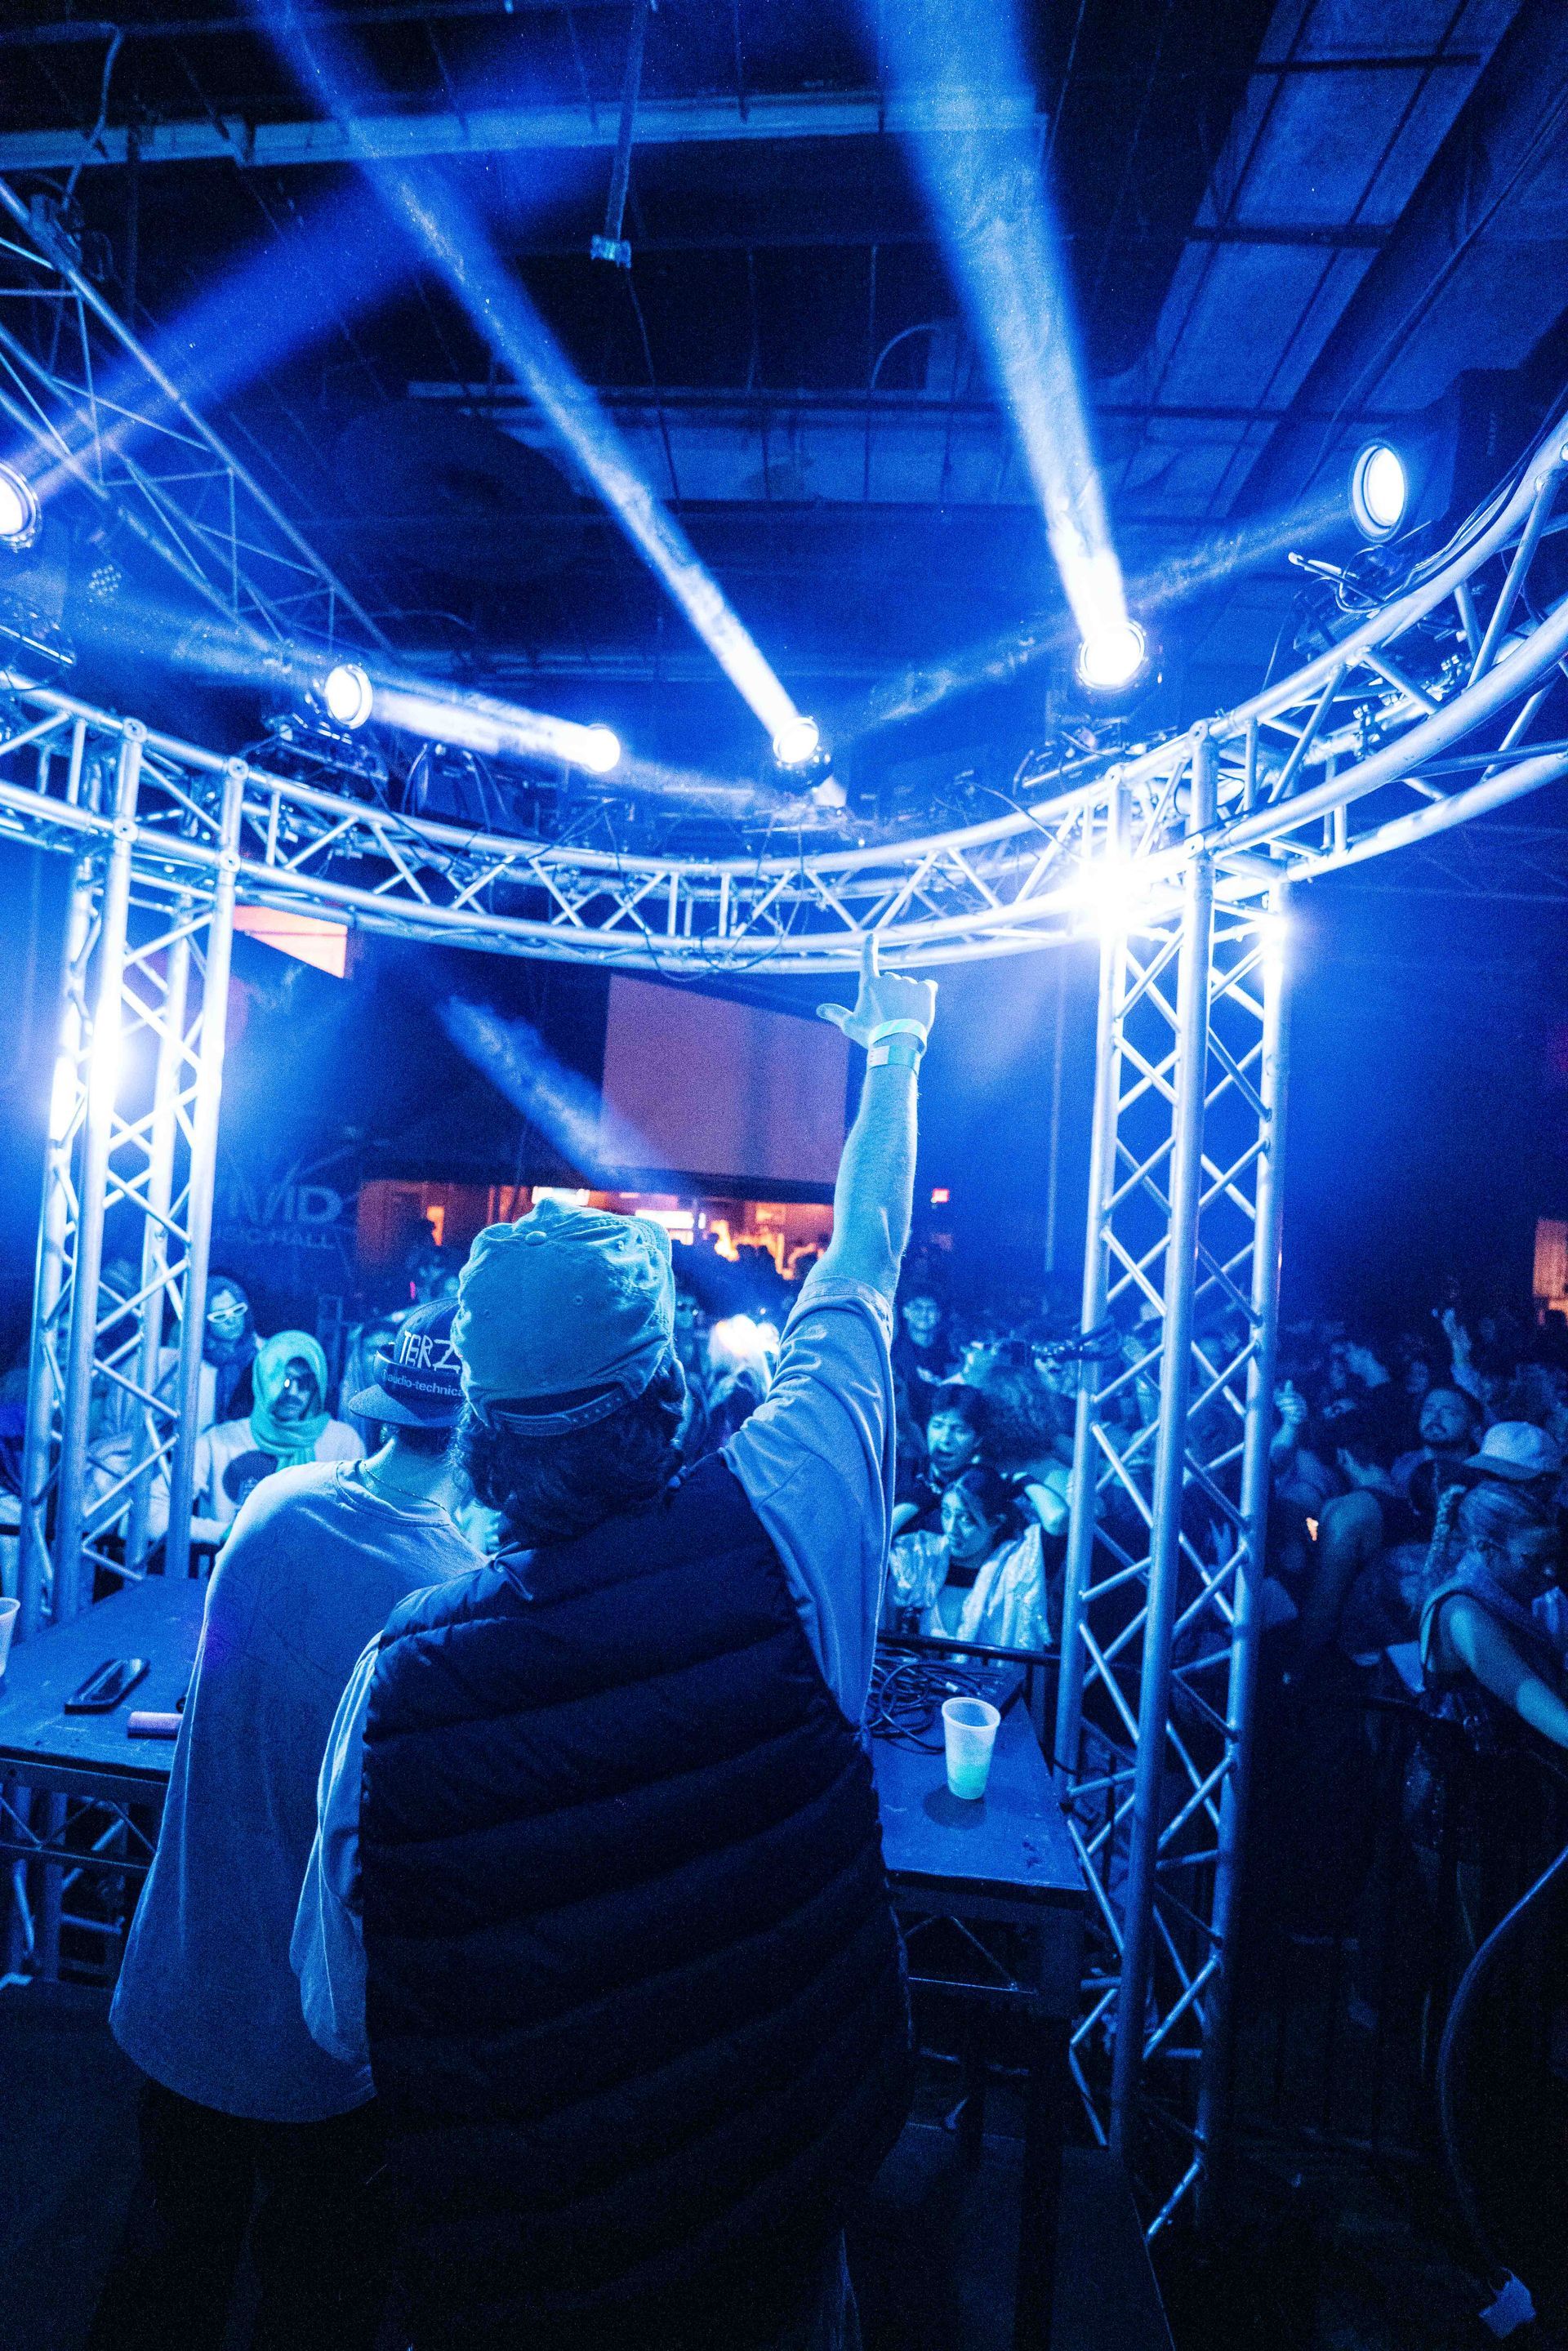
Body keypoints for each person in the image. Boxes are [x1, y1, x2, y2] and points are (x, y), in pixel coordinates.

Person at [294, 933, 931, 2351]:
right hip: (770, 2243)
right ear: (669, 1391)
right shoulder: (786, 1522)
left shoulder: (400, 1676)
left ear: (479, 1432)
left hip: (519, 2280)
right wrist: (894, 1052)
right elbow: (863, 1268)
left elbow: (338, 2011)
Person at [93, 1302, 480, 2351]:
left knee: (162, 2288)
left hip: (186, 1986)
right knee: (315, 2304)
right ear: (483, 1430)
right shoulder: (450, 1589)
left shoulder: (274, 1500)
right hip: (320, 2035)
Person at [150, 1329, 362, 1549]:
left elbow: (360, 1525)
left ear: (319, 1384)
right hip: (236, 1567)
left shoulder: (343, 1441)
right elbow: (151, 1512)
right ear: (262, 1379)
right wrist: (225, 1533)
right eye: (282, 1379)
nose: (292, 1391)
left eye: (305, 1382)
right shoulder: (219, 1441)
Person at [1420, 1479, 1568, 1749]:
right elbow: (1536, 1704)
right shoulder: (1463, 1614)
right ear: (1485, 1549)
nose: (1550, 1571)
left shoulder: (1536, 1595)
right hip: (1481, 1769)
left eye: (1553, 1557)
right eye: (1534, 1559)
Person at [887, 1463, 1051, 1652]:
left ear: (995, 1522)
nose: (951, 1529)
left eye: (965, 1519)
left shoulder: (1015, 1564)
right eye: (946, 1513)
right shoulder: (922, 1556)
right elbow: (876, 1544)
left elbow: (1057, 1519)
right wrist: (918, 1499)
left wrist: (1021, 1479)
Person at [893, 1379, 988, 1534]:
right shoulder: (898, 1473)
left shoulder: (985, 1488)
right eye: (937, 1425)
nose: (945, 1438)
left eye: (959, 1430)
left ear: (978, 1439)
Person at [890, 1285, 948, 1410]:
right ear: (905, 1311)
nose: (924, 1314)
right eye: (918, 1307)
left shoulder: (951, 1353)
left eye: (931, 1309)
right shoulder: (892, 1352)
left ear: (939, 1314)